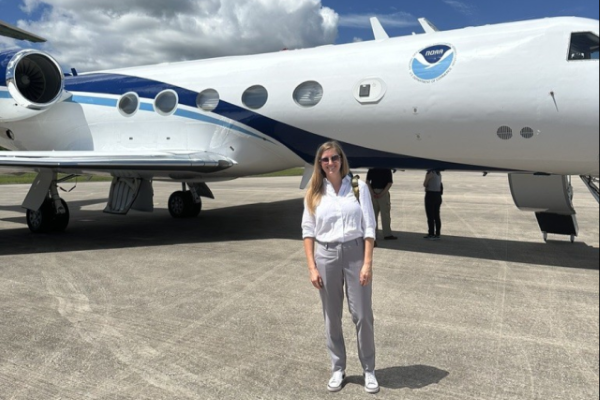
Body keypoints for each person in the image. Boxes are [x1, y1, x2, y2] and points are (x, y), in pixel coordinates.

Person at [301, 141, 380, 394]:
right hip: (326, 255)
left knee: (363, 315)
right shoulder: (314, 191)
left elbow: (369, 227)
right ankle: (338, 368)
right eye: (325, 160)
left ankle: (369, 369)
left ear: (341, 159)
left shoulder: (358, 187)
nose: (330, 163)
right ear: (320, 164)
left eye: (334, 158)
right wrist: (312, 266)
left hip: (356, 253)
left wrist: (367, 263)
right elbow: (308, 231)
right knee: (331, 317)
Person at [366, 168, 398, 242]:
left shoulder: (371, 168)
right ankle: (387, 234)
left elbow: (367, 182)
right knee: (385, 215)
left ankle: (373, 234)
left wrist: (372, 193)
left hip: (373, 192)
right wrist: (381, 194)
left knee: (373, 215)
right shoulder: (387, 169)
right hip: (383, 193)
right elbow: (389, 183)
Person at [423, 170, 443, 240]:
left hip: (430, 195)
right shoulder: (439, 173)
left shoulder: (430, 173)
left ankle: (431, 233)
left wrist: (427, 179)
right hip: (438, 195)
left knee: (430, 216)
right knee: (436, 215)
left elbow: (425, 184)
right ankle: (437, 233)